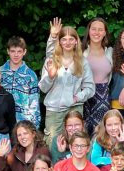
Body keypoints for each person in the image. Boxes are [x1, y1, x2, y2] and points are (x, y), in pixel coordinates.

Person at [40, 19, 95, 161]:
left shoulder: (82, 62)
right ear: (59, 42)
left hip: (74, 108)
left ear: (76, 41)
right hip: (54, 110)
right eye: (64, 39)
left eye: (72, 39)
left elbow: (90, 88)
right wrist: (50, 77)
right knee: (52, 141)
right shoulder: (51, 60)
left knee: (77, 141)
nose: (68, 42)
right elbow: (43, 88)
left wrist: (78, 97)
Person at [79, 17, 114, 133]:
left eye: (100, 30)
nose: (96, 33)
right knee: (82, 132)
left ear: (105, 33)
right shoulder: (80, 52)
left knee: (101, 133)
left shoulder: (110, 52)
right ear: (88, 31)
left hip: (103, 97)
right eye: (93, 29)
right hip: (83, 96)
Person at [1, 36, 41, 128]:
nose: (16, 55)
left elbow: (34, 103)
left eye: (19, 51)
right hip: (2, 122)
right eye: (13, 51)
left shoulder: (30, 75)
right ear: (8, 51)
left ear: (24, 52)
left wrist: (34, 127)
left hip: (23, 123)